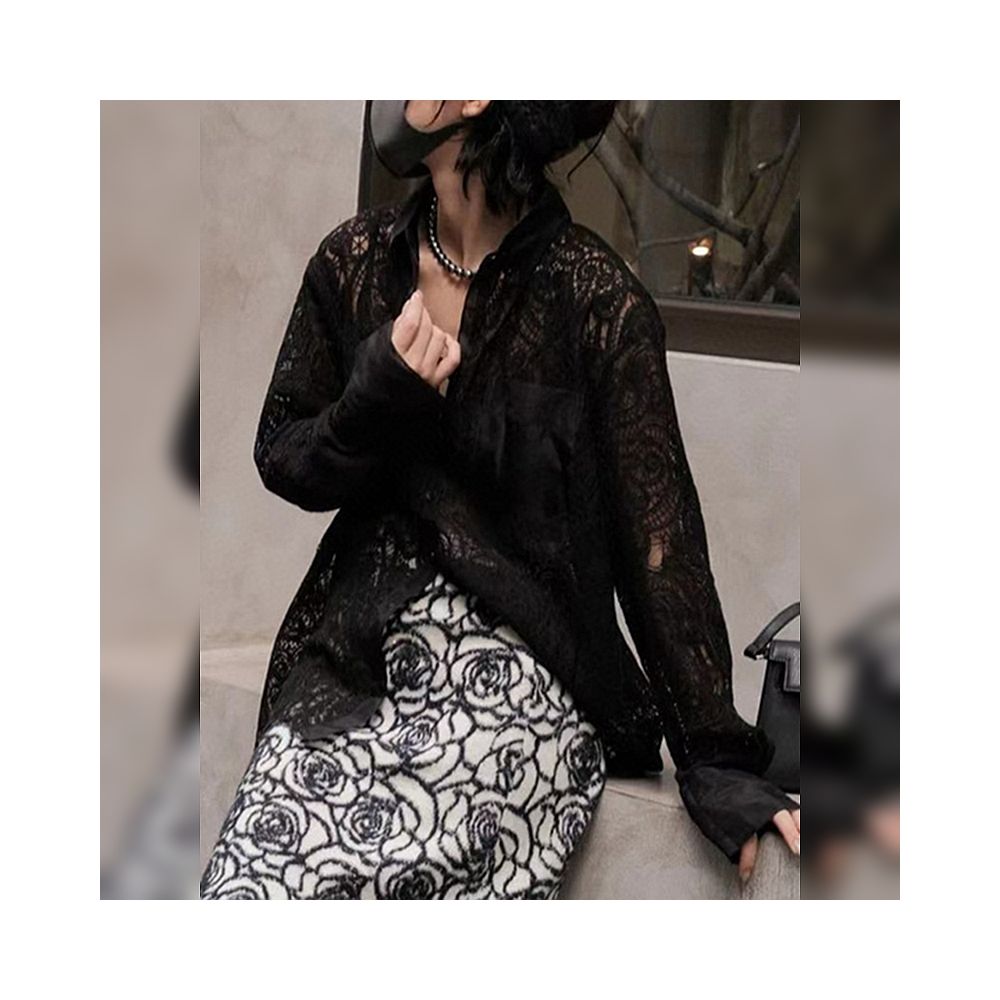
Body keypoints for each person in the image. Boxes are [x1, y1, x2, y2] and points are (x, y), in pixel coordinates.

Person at [201, 100, 800, 900]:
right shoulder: (354, 261)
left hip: (522, 681)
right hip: (356, 659)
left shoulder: (597, 302)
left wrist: (718, 759)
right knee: (246, 882)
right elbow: (283, 457)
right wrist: (373, 397)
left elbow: (659, 547)